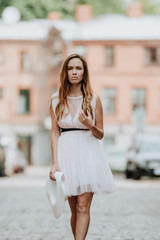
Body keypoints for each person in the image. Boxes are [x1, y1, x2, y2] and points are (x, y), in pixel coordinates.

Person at [49, 53, 116, 240]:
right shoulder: (56, 100)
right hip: (66, 155)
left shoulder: (94, 99)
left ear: (84, 72)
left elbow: (100, 134)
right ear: (65, 72)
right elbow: (55, 132)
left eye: (78, 68)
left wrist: (90, 125)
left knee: (83, 206)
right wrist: (55, 163)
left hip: (88, 154)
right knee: (74, 210)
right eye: (70, 68)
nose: (74, 72)